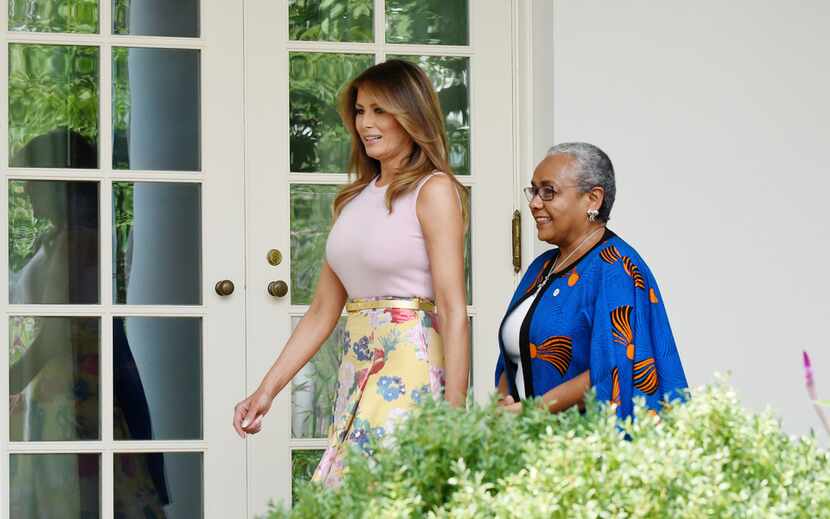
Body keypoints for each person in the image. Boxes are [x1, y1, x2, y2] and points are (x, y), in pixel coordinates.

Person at [233, 60, 469, 487]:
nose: (366, 123)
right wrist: (266, 391)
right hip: (357, 367)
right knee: (351, 489)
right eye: (360, 111)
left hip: (409, 366)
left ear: (411, 115)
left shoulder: (433, 190)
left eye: (380, 110)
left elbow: (452, 308)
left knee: (384, 493)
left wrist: (454, 414)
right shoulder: (354, 200)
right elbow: (323, 310)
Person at [496, 143, 687, 417]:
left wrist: (533, 411)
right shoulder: (540, 267)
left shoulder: (616, 269)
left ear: (593, 199)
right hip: (523, 436)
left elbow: (613, 370)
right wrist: (503, 404)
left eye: (548, 191)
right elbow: (514, 351)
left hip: (580, 445)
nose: (534, 203)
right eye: (534, 191)